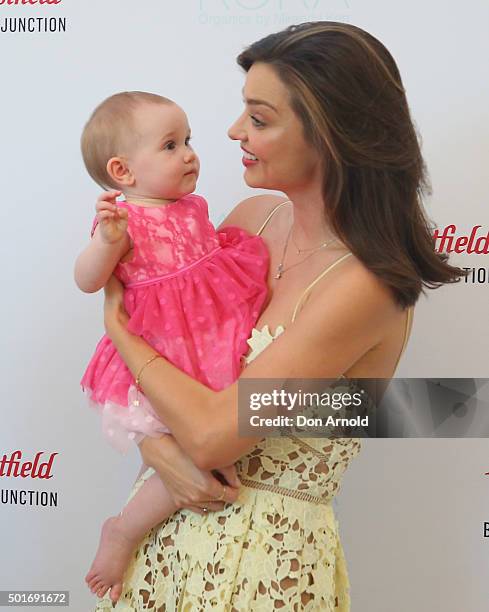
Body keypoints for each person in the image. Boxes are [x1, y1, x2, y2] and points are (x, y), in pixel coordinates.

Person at [94, 22, 465, 610]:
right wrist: (159, 453)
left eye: (260, 119)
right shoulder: (249, 220)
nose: (234, 131)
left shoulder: (366, 286)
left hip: (263, 566)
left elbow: (215, 435)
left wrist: (116, 328)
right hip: (156, 547)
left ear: (332, 136)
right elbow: (168, 364)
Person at [74, 91, 269, 603]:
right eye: (169, 145)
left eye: (187, 141)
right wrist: (105, 243)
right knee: (185, 453)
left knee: (209, 441)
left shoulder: (193, 208)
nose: (188, 154)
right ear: (123, 171)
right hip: (167, 354)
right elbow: (87, 279)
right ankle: (123, 529)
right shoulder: (123, 222)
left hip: (212, 342)